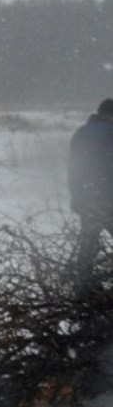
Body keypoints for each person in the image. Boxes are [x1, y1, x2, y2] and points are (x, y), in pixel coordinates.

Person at [68, 98, 113, 292]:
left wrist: (77, 196)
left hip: (86, 196)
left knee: (88, 241)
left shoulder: (81, 133)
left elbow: (73, 168)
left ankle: (83, 284)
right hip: (107, 197)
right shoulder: (110, 134)